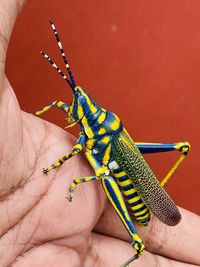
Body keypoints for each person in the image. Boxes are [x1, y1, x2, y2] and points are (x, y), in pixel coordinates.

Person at [0, 1, 200, 266]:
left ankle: (140, 233)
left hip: (123, 181)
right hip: (112, 163)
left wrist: (58, 165)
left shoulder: (94, 132)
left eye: (76, 105)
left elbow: (74, 151)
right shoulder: (95, 123)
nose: (71, 107)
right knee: (106, 171)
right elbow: (64, 113)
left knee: (164, 154)